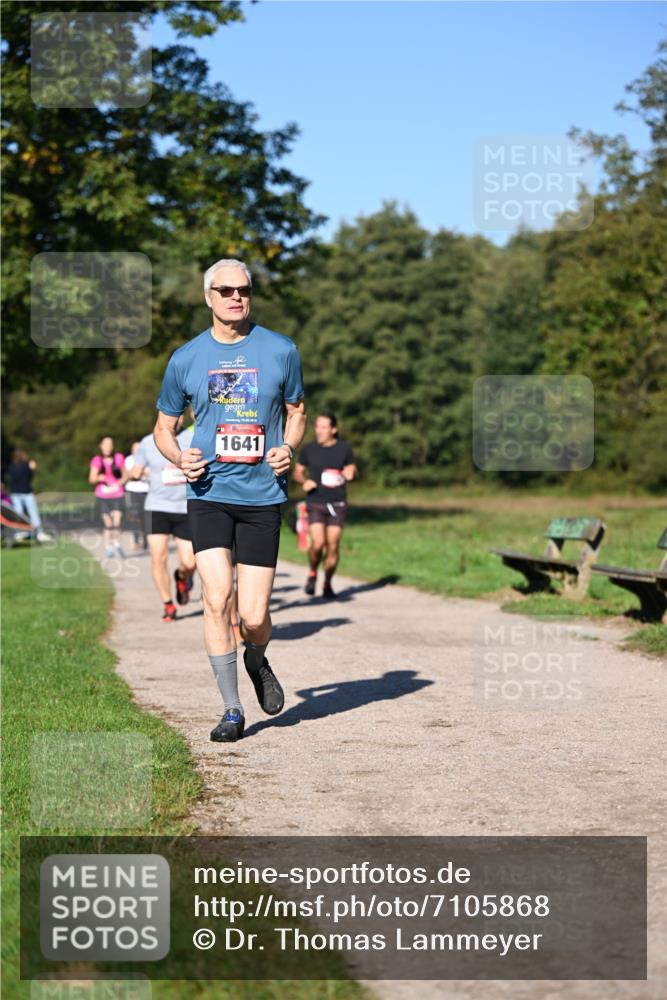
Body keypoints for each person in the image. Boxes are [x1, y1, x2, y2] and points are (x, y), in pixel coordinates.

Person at [153, 258, 306, 743]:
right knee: (216, 599)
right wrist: (180, 458)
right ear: (208, 297)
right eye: (225, 290)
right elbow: (164, 428)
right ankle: (233, 710)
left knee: (254, 617)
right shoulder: (186, 358)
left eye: (243, 290)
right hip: (209, 494)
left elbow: (297, 410)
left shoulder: (281, 350)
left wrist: (288, 447)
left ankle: (257, 658)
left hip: (262, 496)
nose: (236, 297)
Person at [130, 415, 197, 622]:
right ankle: (168, 605)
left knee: (190, 562)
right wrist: (137, 473)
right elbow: (135, 471)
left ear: (184, 416)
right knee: (158, 558)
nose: (176, 417)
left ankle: (182, 577)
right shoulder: (148, 441)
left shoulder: (193, 437)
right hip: (156, 506)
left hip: (185, 506)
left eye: (179, 413)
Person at [293, 411, 356, 599]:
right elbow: (297, 472)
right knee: (318, 544)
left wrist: (350, 473)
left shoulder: (344, 449)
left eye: (323, 427)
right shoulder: (309, 450)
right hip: (315, 502)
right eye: (317, 426)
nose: (319, 430)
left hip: (337, 503)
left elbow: (351, 468)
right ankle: (313, 572)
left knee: (333, 546)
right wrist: (303, 481)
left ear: (333, 430)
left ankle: (327, 583)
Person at [88, 436, 126, 559]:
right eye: (105, 444)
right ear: (101, 446)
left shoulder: (119, 458)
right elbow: (91, 478)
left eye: (110, 444)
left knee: (117, 521)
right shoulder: (97, 460)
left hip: (117, 493)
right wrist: (101, 478)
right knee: (108, 523)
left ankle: (116, 543)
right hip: (102, 494)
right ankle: (108, 547)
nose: (108, 446)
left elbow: (126, 475)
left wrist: (118, 483)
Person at [4, 448, 50, 543]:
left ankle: (21, 533)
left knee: (19, 514)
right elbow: (31, 474)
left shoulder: (11, 467)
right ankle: (38, 533)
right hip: (26, 492)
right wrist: (32, 468)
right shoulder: (27, 465)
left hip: (15, 493)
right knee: (33, 513)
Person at [124, 441, 149, 551]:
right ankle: (135, 540)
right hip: (132, 491)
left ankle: (146, 541)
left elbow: (150, 473)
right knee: (134, 517)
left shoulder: (148, 458)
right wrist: (141, 472)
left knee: (146, 517)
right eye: (135, 449)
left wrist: (138, 473)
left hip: (146, 491)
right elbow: (130, 475)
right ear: (132, 450)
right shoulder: (129, 460)